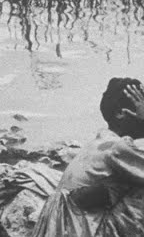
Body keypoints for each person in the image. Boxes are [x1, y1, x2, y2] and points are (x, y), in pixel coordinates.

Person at [28, 78, 144, 235]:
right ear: (120, 113)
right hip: (77, 227)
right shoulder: (117, 147)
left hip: (65, 225)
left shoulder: (101, 141)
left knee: (128, 181)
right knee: (139, 190)